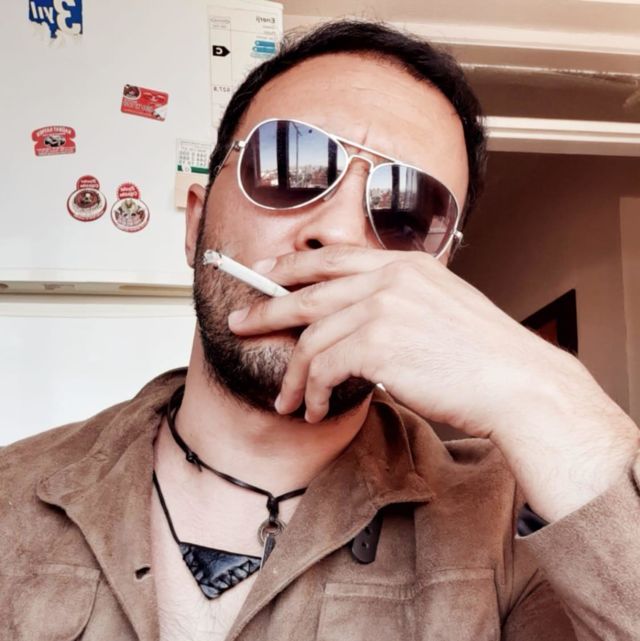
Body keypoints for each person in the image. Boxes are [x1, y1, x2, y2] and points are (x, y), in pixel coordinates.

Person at [1, 20, 639, 641]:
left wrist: (549, 397)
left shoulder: (509, 530)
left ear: (437, 280)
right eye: (288, 167)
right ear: (196, 225)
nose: (335, 232)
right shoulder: (11, 496)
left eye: (407, 210)